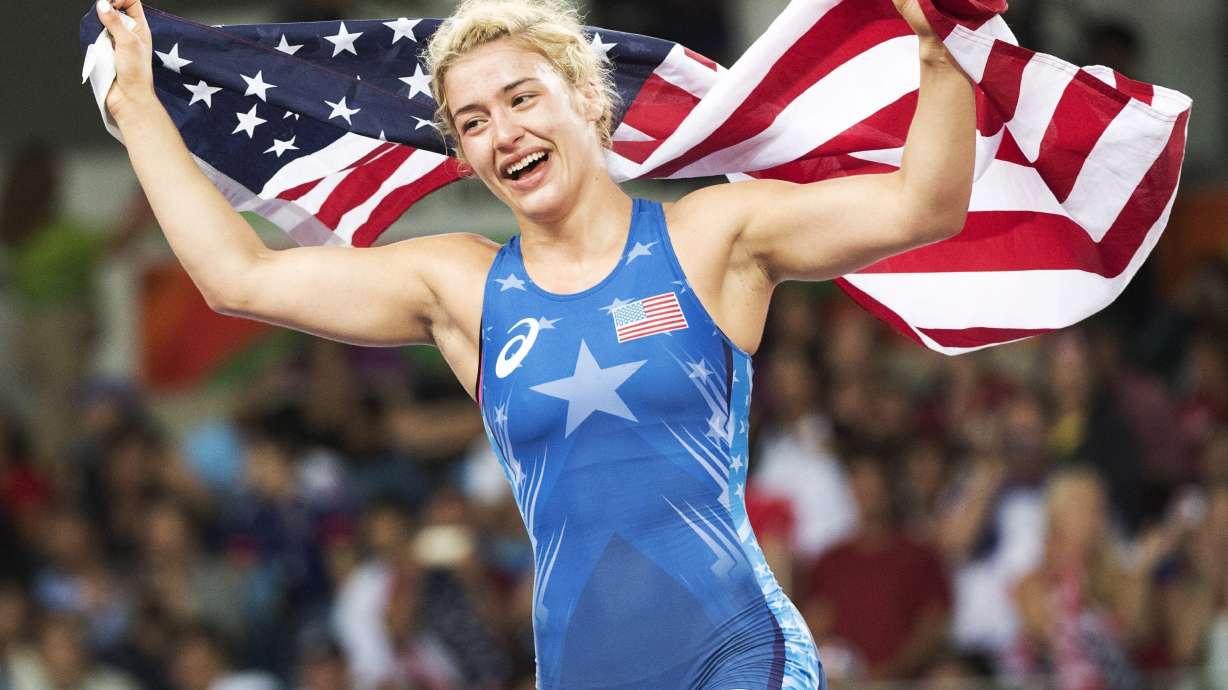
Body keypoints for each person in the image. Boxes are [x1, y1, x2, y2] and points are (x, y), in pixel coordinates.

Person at [94, 0, 976, 685]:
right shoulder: (463, 287)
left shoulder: (710, 238)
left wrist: (941, 53)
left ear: (589, 100)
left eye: (521, 98)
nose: (502, 130)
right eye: (473, 120)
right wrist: (137, 106)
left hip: (740, 656)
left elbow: (920, 205)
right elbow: (239, 278)